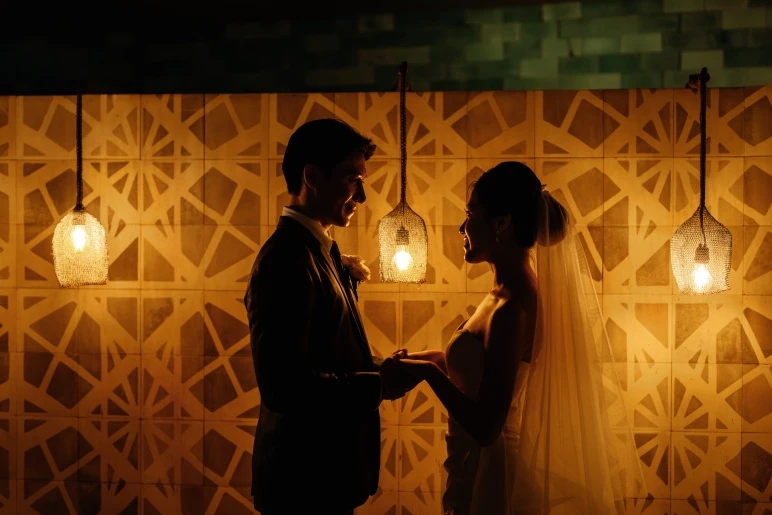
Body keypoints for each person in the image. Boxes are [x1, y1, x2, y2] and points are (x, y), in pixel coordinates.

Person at [392, 162, 643, 514]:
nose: (462, 227)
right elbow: (479, 375)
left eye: (471, 214)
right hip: (474, 463)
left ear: (501, 223)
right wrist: (428, 360)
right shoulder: (501, 292)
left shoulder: (513, 306)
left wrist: (428, 374)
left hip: (492, 476)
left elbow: (486, 427)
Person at [244, 118, 419, 515]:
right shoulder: (285, 259)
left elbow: (324, 356)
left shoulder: (316, 251)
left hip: (325, 479)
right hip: (303, 485)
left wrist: (381, 368)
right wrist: (376, 385)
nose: (362, 196)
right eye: (352, 180)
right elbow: (284, 386)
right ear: (312, 177)